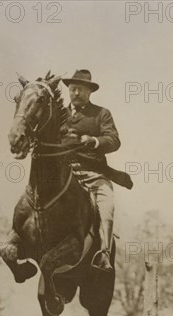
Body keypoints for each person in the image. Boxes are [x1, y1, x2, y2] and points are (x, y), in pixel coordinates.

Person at [62, 69, 121, 272]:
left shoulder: (101, 114)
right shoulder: (59, 114)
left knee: (107, 207)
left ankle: (103, 254)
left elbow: (113, 140)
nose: (76, 93)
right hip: (64, 174)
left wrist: (94, 141)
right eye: (72, 89)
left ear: (89, 92)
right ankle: (18, 240)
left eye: (80, 89)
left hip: (94, 176)